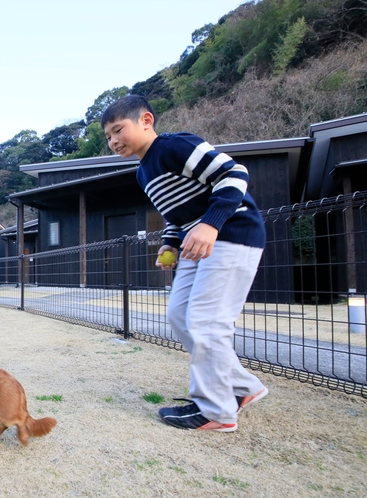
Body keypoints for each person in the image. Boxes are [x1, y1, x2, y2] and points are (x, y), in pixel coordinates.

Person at [101, 95, 268, 432]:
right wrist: (169, 243)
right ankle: (242, 387)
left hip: (231, 233)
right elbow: (176, 215)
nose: (114, 141)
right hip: (195, 243)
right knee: (180, 315)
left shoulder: (175, 146)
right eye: (108, 137)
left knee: (208, 321)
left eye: (118, 130)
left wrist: (211, 222)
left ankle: (217, 411)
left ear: (146, 120)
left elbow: (234, 173)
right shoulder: (142, 172)